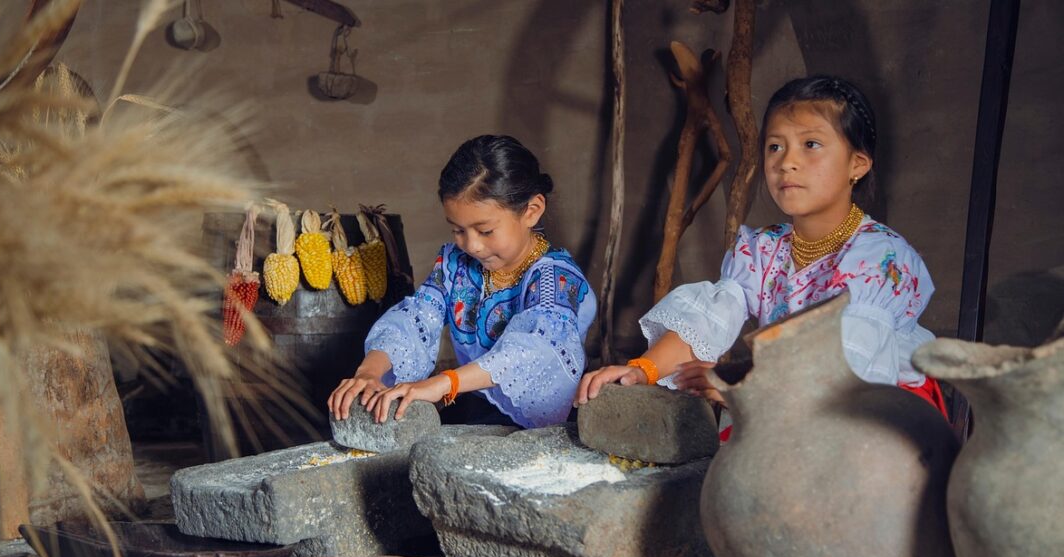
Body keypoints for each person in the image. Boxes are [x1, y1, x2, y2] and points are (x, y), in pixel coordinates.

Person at [576, 75, 948, 420]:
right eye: (775, 146)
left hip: (874, 418)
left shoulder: (882, 258)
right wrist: (642, 370)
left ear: (858, 164)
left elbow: (849, 369)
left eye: (811, 144)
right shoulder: (764, 249)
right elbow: (708, 321)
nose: (787, 163)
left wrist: (747, 387)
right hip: (785, 405)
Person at [329, 134, 596, 428]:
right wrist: (369, 372)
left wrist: (446, 383)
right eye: (458, 230)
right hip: (475, 408)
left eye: (485, 231)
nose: (472, 246)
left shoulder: (555, 279)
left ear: (532, 211)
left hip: (540, 422)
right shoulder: (455, 264)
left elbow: (536, 350)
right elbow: (415, 318)